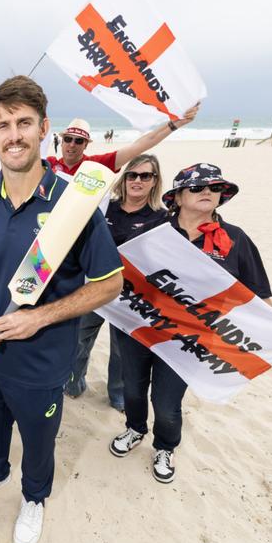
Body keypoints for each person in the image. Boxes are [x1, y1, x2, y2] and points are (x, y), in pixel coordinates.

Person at [0, 76, 123, 543]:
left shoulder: (74, 205)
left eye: (24, 123)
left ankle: (34, 498)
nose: (14, 135)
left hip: (41, 362)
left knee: (37, 439)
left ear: (44, 128)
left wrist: (41, 317)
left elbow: (110, 283)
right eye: (3, 125)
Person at [108, 163, 272, 483]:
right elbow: (121, 269)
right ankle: (134, 429)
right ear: (177, 196)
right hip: (141, 327)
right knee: (133, 389)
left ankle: (165, 446)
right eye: (198, 187)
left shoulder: (234, 239)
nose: (207, 192)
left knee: (166, 402)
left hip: (190, 340)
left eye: (214, 188)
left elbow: (257, 294)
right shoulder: (153, 229)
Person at [65, 154, 167, 408]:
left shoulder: (161, 218)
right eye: (132, 175)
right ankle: (73, 383)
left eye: (145, 176)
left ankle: (118, 395)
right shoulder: (103, 207)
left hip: (132, 296)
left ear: (154, 181)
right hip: (95, 289)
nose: (137, 180)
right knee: (78, 338)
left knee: (122, 350)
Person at [47, 105, 199, 177]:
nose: (72, 144)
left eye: (79, 141)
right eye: (68, 139)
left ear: (86, 144)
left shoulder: (96, 165)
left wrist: (176, 123)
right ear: (62, 141)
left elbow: (140, 145)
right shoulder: (48, 164)